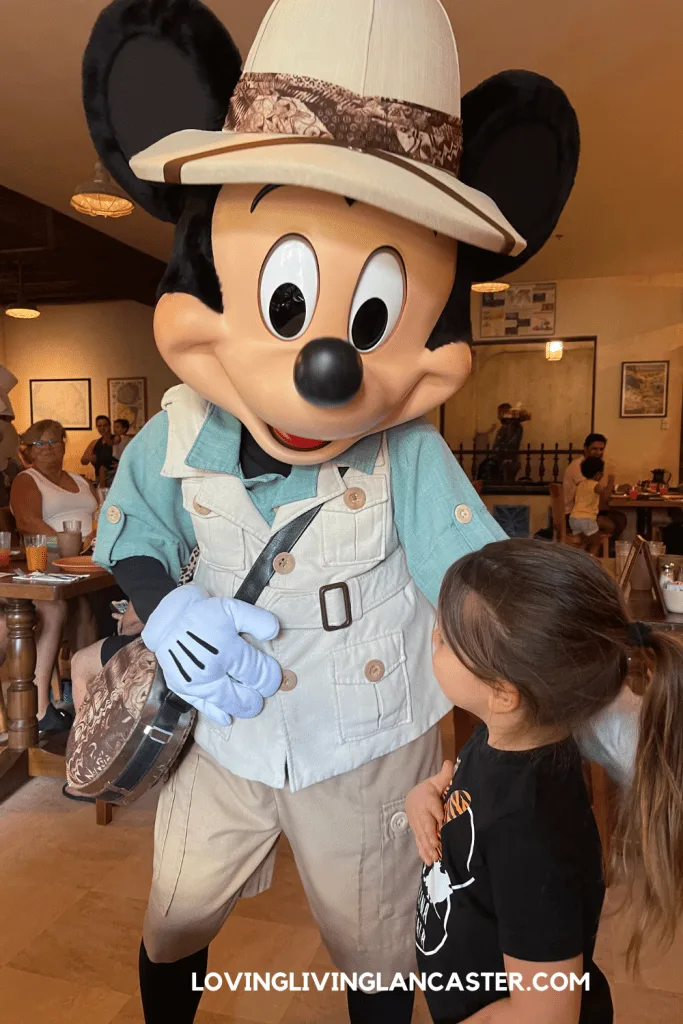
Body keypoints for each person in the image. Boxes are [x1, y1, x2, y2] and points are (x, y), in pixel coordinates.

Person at [81, 1, 583, 1021]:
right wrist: (164, 607)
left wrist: (559, 683)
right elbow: (134, 525)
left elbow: (471, 581)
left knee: (376, 945)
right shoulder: (176, 427)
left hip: (362, 745)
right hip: (224, 739)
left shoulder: (409, 451)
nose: (324, 365)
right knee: (174, 907)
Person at [408, 539, 683, 1023]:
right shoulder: (506, 738)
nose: (432, 641)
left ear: (503, 693)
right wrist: (426, 793)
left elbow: (543, 1015)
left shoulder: (533, 831)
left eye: (445, 639)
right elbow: (464, 784)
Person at [11, 419, 100, 726]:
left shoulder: (80, 479)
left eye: (54, 441)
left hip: (93, 559)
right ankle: (57, 703)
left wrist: (95, 538)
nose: (48, 448)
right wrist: (66, 546)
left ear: (65, 444)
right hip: (50, 560)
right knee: (72, 603)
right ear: (28, 453)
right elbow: (27, 522)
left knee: (90, 603)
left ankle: (87, 693)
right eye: (40, 443)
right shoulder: (28, 479)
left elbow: (101, 511)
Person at [563, 434, 626, 543]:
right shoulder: (579, 466)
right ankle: (599, 552)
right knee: (612, 523)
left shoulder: (591, 465)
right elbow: (592, 493)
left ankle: (604, 551)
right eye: (594, 449)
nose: (599, 452)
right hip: (573, 514)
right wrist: (611, 484)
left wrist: (615, 487)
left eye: (601, 449)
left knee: (620, 518)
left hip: (581, 512)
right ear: (585, 449)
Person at [569, 456, 614, 555]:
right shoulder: (595, 485)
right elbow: (606, 494)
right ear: (598, 474)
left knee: (585, 541)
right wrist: (611, 482)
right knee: (596, 543)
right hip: (587, 519)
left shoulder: (580, 484)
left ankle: (579, 561)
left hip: (574, 518)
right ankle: (592, 561)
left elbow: (574, 499)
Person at [81, 414, 115, 487]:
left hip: (115, 479)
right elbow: (83, 461)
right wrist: (90, 458)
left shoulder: (116, 440)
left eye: (105, 425)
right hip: (99, 479)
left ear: (109, 426)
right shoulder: (94, 443)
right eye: (99, 426)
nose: (102, 428)